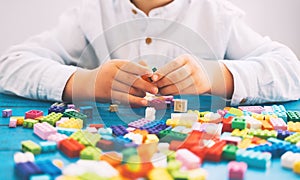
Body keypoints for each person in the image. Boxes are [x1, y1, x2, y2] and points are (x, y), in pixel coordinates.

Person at [0, 0, 299, 107]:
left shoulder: (217, 14)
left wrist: (216, 75)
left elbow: (290, 71)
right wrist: (84, 82)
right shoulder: (91, 13)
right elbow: (11, 65)